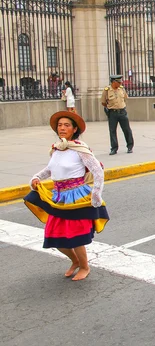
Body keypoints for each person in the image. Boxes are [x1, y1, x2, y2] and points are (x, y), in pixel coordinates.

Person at [23, 111, 108, 281]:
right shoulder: (56, 149)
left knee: (76, 236)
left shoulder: (80, 149)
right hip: (59, 197)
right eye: (60, 125)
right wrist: (37, 177)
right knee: (53, 235)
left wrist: (96, 195)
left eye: (66, 125)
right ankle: (75, 261)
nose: (62, 128)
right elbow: (50, 169)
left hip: (76, 196)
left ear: (74, 129)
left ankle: (85, 266)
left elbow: (97, 171)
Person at [101, 75, 134, 155]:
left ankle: (130, 146)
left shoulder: (122, 89)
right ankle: (114, 148)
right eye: (118, 82)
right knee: (112, 131)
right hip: (112, 113)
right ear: (113, 82)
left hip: (122, 112)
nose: (120, 83)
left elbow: (125, 98)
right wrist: (110, 107)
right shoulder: (107, 90)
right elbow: (103, 102)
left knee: (127, 130)